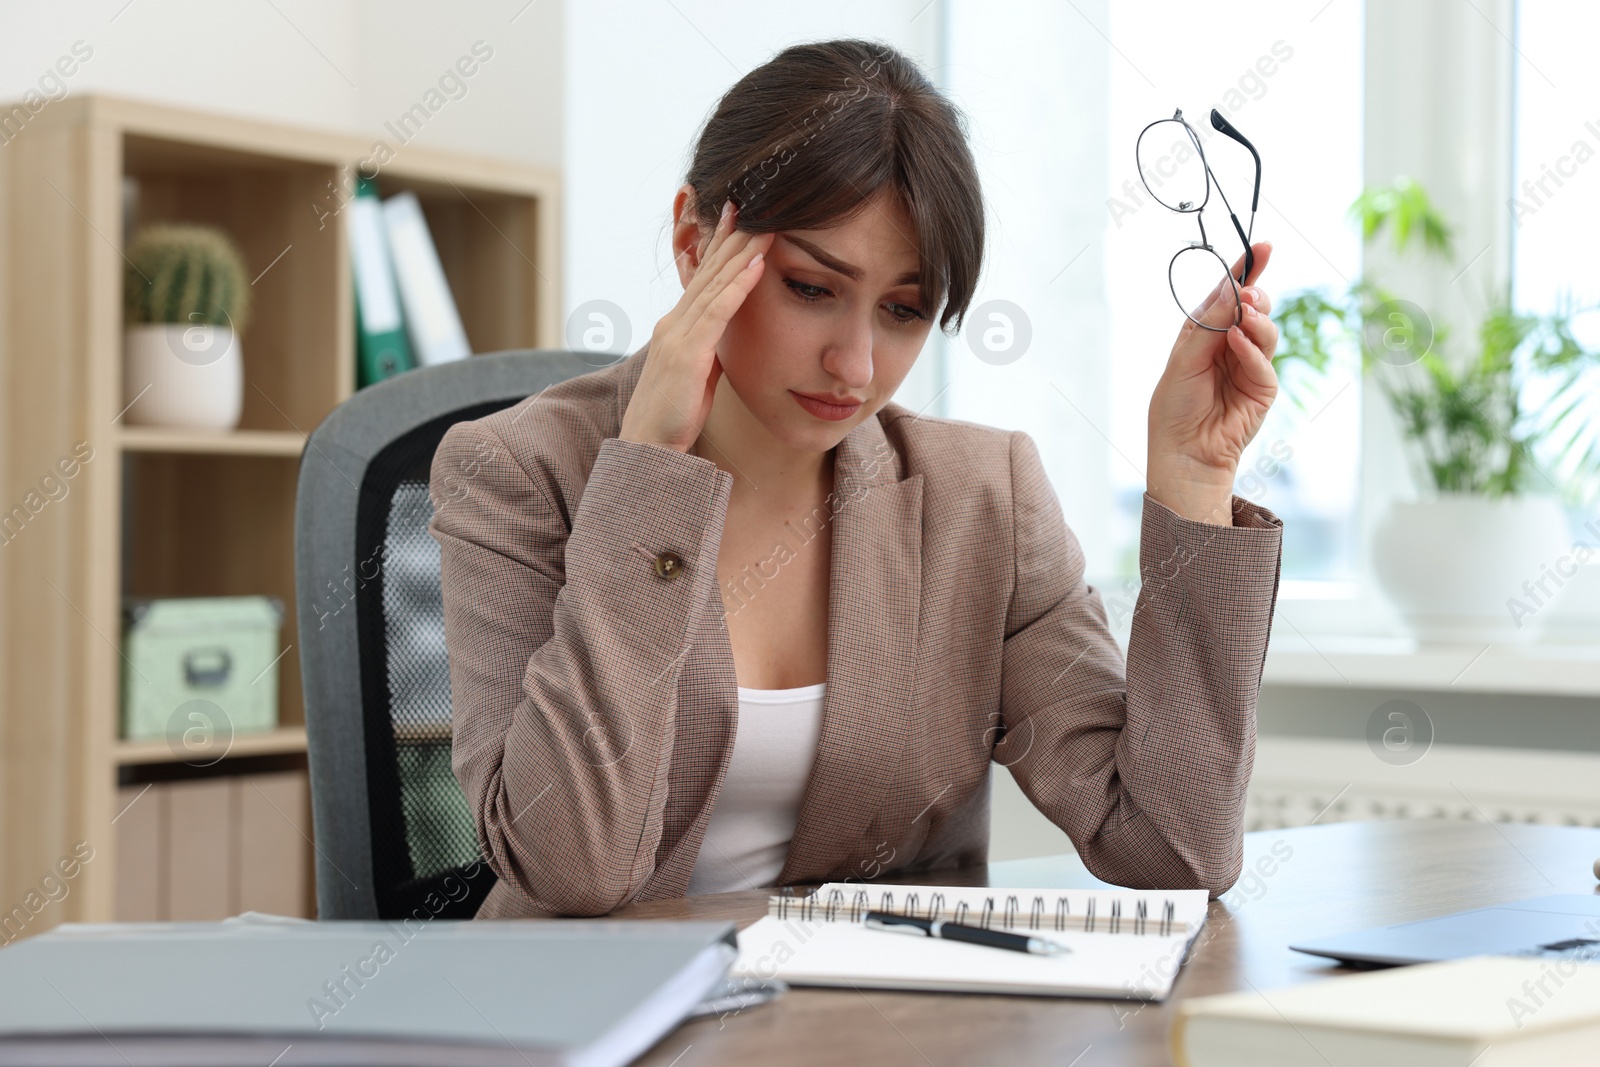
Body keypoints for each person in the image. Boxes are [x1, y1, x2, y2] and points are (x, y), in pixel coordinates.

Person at [429, 38, 1285, 919]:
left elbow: (1174, 849)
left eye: (905, 310)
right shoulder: (516, 474)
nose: (856, 362)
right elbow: (574, 867)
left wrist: (1192, 478)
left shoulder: (983, 499)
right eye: (809, 287)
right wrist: (650, 477)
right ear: (694, 241)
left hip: (874, 1032)